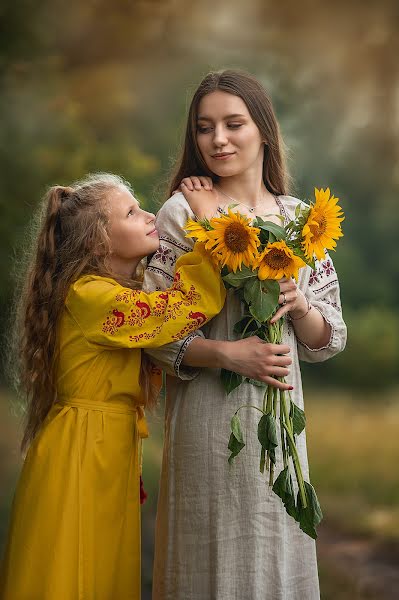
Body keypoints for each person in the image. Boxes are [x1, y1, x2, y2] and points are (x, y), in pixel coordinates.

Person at [144, 70, 347, 600]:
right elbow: (153, 329)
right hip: (207, 424)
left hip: (280, 425)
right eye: (205, 127)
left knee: (277, 544)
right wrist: (228, 354)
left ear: (264, 132)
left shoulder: (302, 220)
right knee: (207, 558)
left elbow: (329, 336)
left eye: (234, 124)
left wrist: (300, 304)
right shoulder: (181, 214)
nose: (218, 139)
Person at [0, 173, 226, 600]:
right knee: (72, 575)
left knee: (102, 575)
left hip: (105, 446)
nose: (147, 215)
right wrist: (212, 227)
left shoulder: (109, 292)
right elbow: (182, 308)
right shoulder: (90, 296)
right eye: (130, 212)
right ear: (98, 243)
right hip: (81, 451)